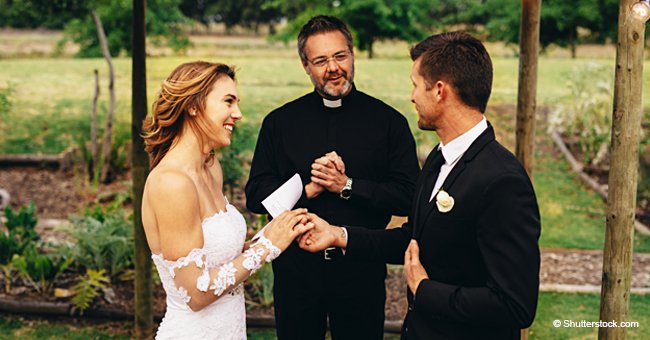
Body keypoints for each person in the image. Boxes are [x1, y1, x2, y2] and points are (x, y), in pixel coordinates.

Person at [299, 32, 541, 339]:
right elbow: (414, 240)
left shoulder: (502, 181)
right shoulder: (439, 159)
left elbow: (515, 305)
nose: (412, 96)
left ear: (439, 90)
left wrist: (426, 292)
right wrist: (338, 235)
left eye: (415, 85)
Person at [245, 15, 420, 340]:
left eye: (340, 56)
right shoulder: (279, 123)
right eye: (321, 60)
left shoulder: (388, 123)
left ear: (353, 55)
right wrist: (308, 186)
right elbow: (255, 195)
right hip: (295, 272)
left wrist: (348, 186)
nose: (333, 68)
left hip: (361, 267)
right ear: (306, 66)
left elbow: (409, 195)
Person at [140, 61, 313, 339]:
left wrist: (275, 233)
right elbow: (195, 293)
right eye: (228, 102)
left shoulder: (210, 167)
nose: (238, 113)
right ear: (193, 106)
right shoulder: (172, 183)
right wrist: (267, 248)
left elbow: (217, 257)